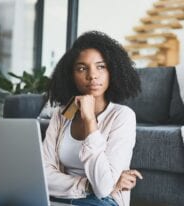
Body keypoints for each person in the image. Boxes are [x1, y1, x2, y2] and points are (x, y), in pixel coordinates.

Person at [42, 31, 143, 206]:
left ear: (112, 71)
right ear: (71, 75)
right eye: (82, 68)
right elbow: (42, 173)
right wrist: (87, 184)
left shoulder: (122, 116)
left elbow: (103, 188)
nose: (92, 75)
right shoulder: (61, 114)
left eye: (101, 66)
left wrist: (89, 121)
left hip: (100, 201)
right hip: (61, 196)